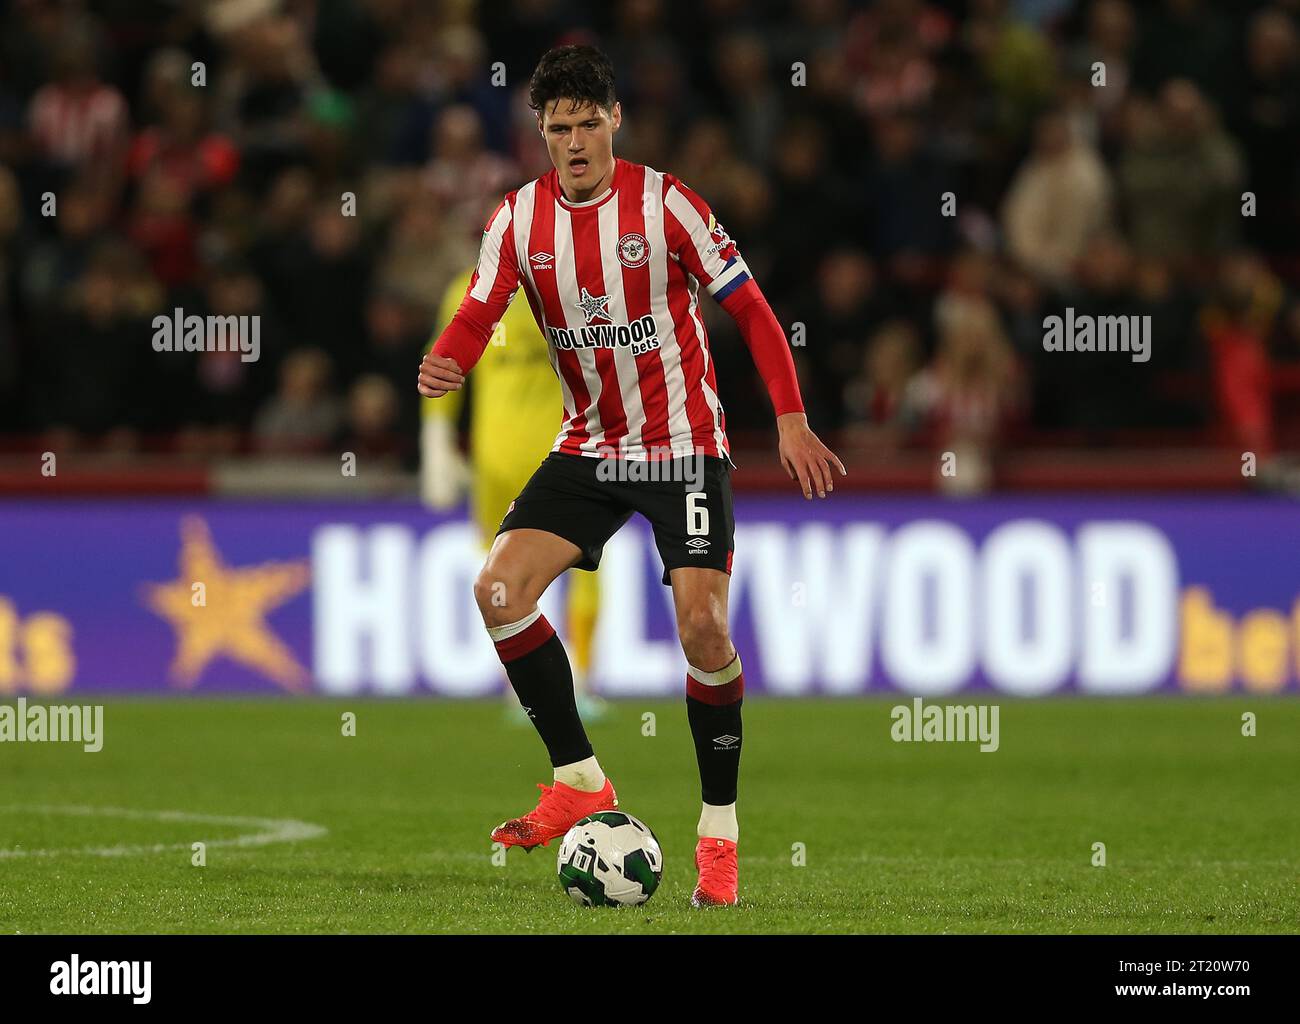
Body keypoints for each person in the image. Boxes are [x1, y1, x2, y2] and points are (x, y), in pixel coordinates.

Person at [417, 44, 843, 908]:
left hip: (683, 446)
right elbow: (476, 309)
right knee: (498, 590)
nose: (572, 143)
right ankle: (579, 780)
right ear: (541, 132)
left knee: (705, 635)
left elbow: (753, 310)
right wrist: (448, 362)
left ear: (615, 120)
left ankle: (718, 837)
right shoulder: (517, 221)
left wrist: (791, 419)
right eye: (556, 128)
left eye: (586, 124)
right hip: (590, 446)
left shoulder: (667, 204)